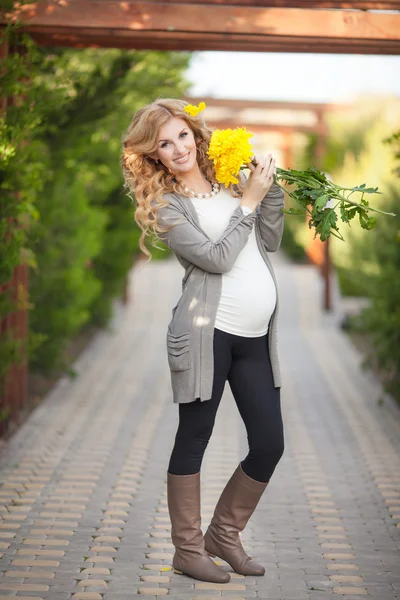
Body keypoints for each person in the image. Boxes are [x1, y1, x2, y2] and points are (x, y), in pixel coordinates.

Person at [121, 98, 285, 584]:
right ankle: (187, 550)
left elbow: (268, 241)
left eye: (181, 137)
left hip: (255, 337)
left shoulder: (229, 182)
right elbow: (215, 258)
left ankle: (224, 536)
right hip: (205, 336)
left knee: (269, 444)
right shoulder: (168, 207)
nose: (176, 149)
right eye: (163, 145)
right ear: (152, 156)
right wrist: (248, 204)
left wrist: (266, 189)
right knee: (194, 438)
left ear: (196, 135)